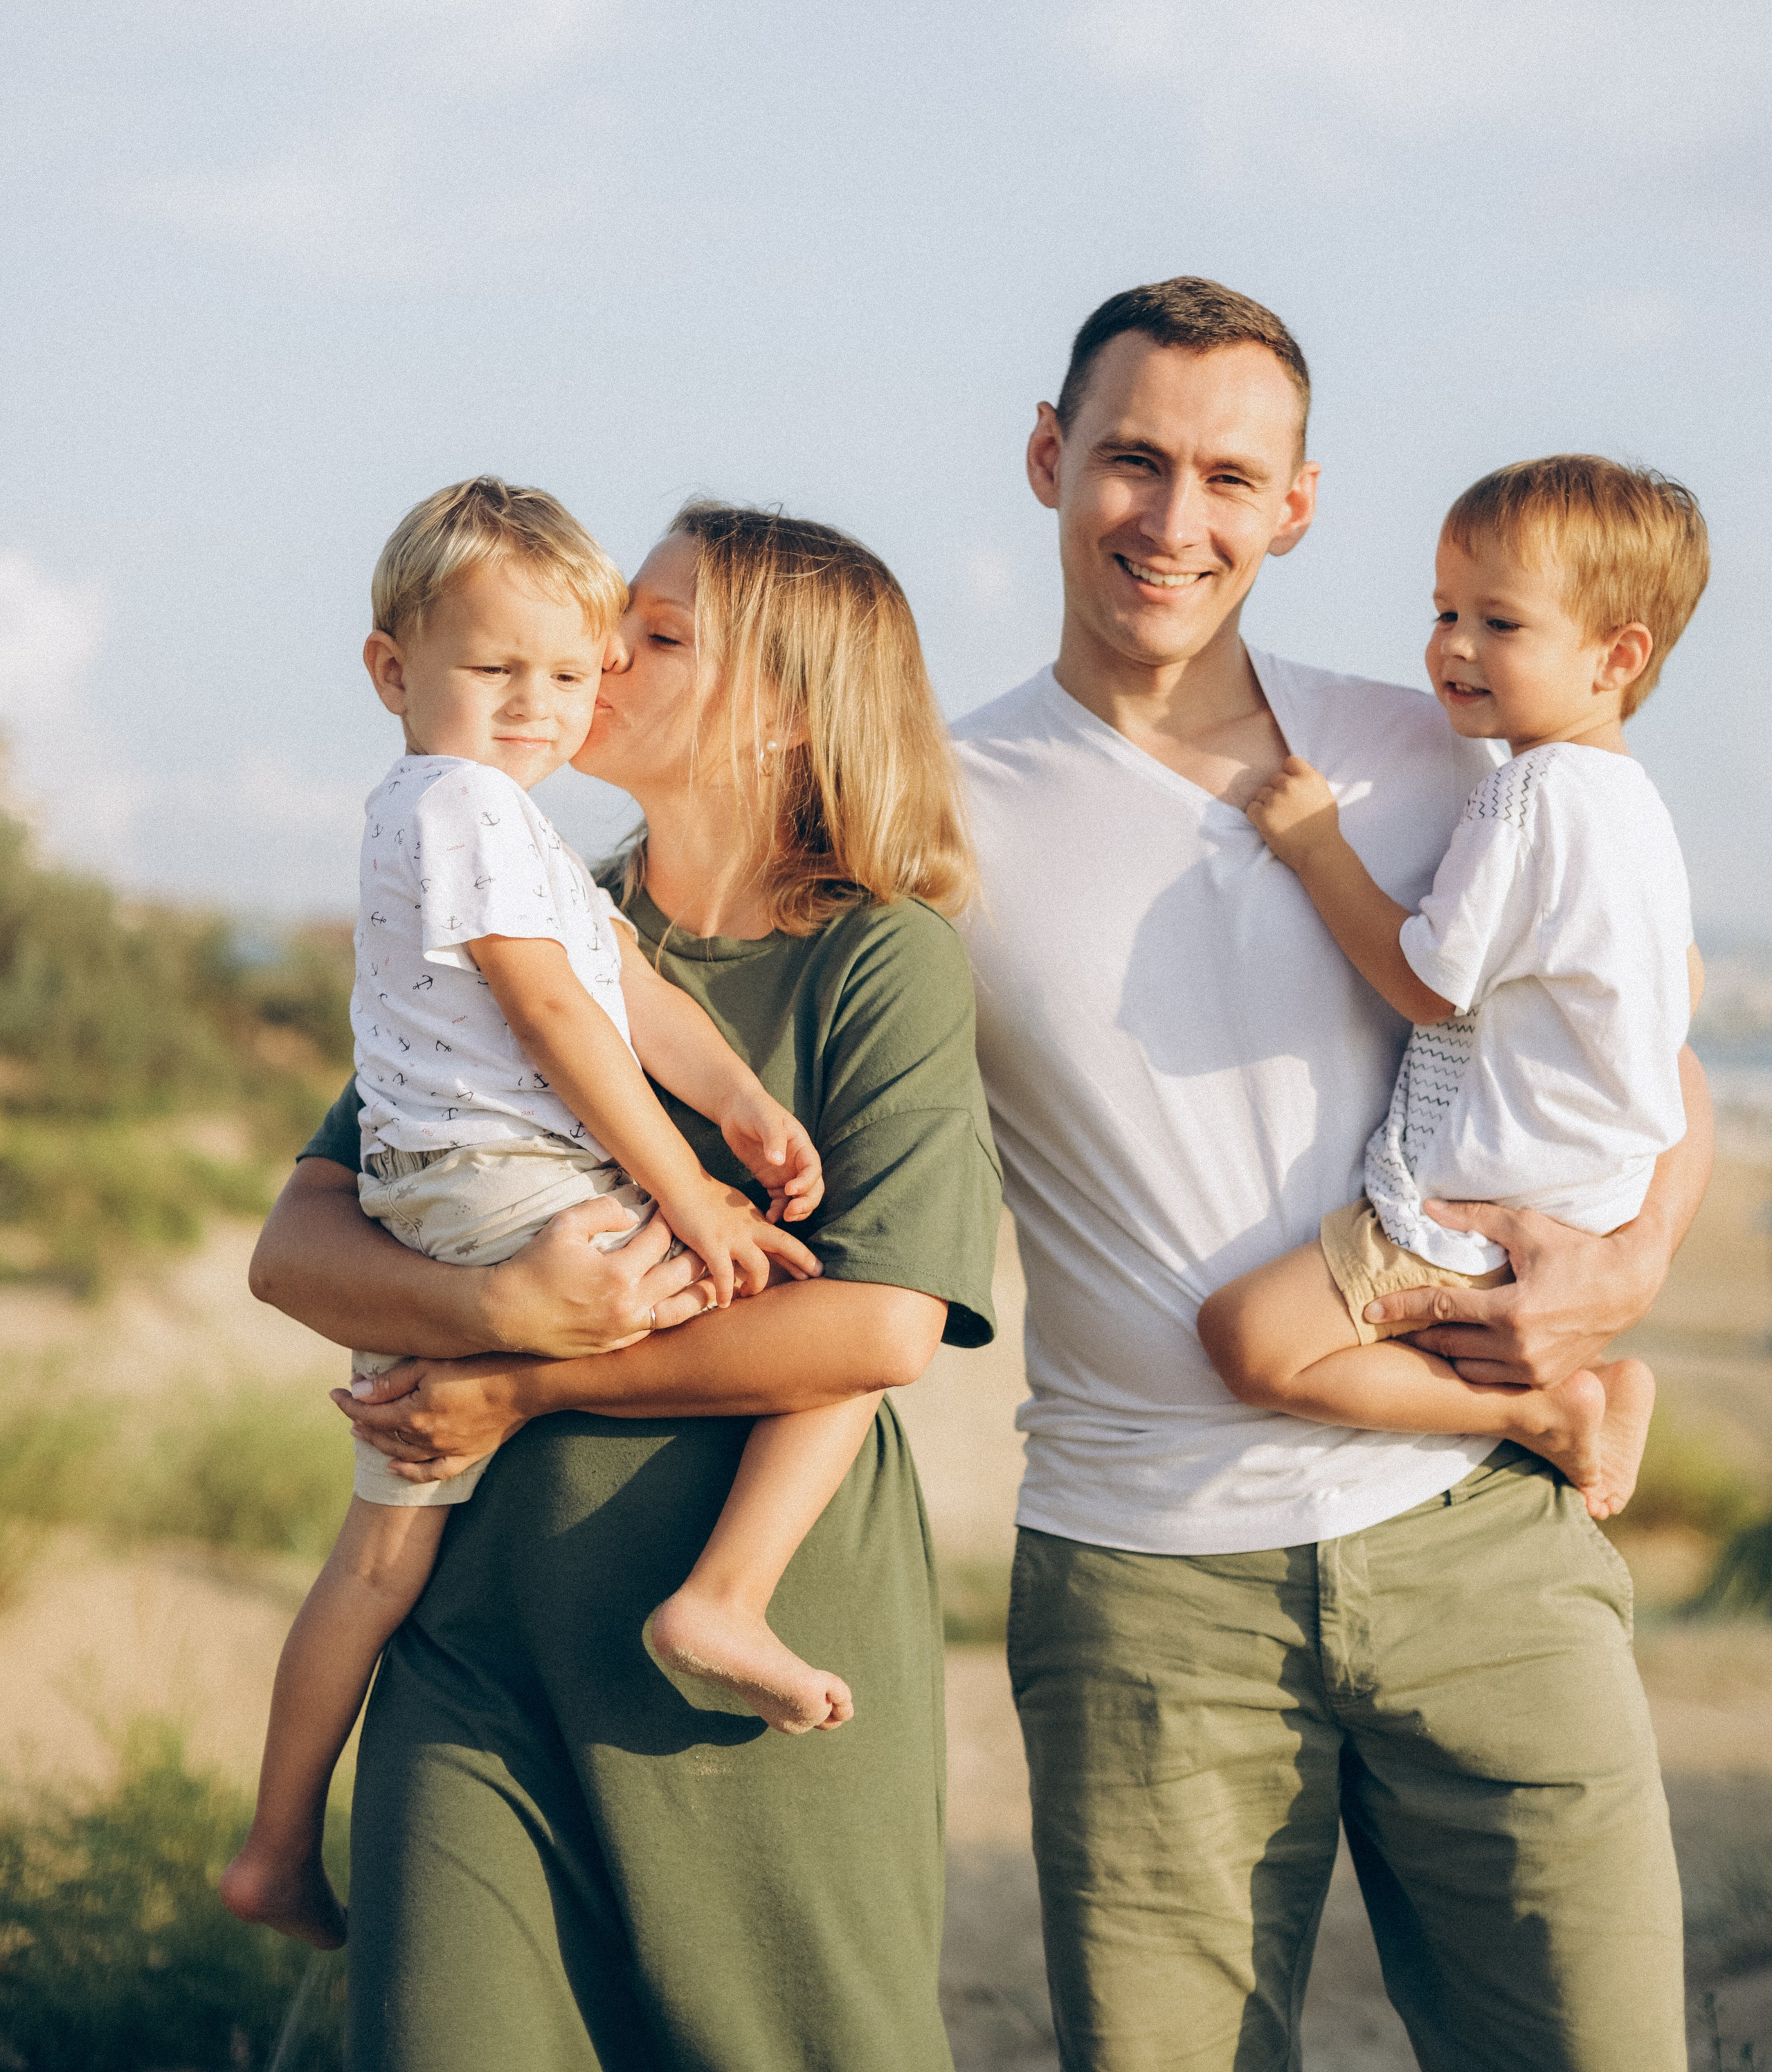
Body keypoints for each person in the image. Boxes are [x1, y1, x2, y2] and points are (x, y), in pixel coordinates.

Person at [952, 279, 1710, 2072]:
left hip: (1480, 1553)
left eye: (1231, 475)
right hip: (1149, 1593)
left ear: (1297, 506)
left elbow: (1644, 1049)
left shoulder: (1450, 756)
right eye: (1133, 459)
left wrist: (1629, 1269)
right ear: (1051, 459)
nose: (1176, 516)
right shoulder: (936, 799)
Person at [247, 502, 1002, 2072]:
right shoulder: (518, 913)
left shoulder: (879, 958)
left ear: (787, 714)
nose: (597, 663)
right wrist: (492, 1316)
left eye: (651, 638)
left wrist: (527, 1380)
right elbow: (297, 1248)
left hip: (738, 1690)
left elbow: (876, 1324)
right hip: (473, 1649)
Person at [1197, 455, 1708, 1524]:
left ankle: (1552, 1415)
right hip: (1587, 1202)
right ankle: (1574, 1396)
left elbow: (1428, 983)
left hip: (1486, 1212)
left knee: (1247, 1341)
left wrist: (1315, 847)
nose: (1454, 647)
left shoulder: (1521, 796)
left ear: (1617, 656)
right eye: (1444, 611)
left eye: (1500, 624)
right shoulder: (1637, 808)